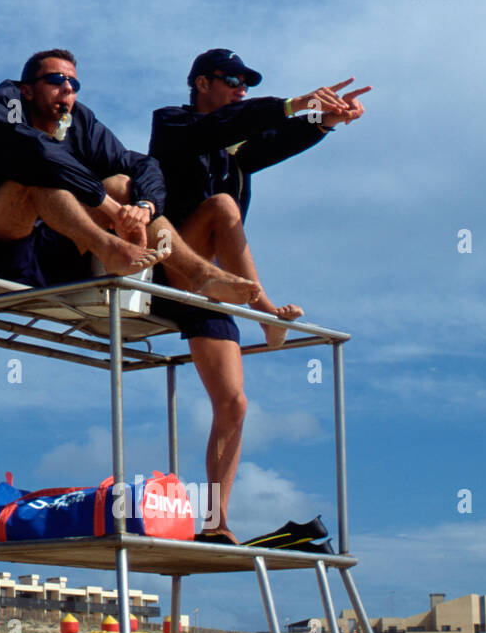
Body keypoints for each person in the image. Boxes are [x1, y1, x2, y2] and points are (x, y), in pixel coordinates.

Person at [148, 49, 369, 541]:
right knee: (223, 206)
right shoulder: (171, 124)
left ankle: (214, 521)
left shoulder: (233, 148)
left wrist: (323, 121)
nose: (240, 88)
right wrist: (291, 104)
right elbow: (225, 126)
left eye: (245, 83)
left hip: (213, 289)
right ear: (202, 82)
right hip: (168, 270)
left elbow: (274, 140)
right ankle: (267, 313)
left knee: (234, 405)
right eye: (232, 80)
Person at [0, 49, 258, 310]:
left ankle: (200, 274)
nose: (66, 88)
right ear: (28, 90)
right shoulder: (8, 108)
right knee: (38, 176)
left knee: (122, 184)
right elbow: (36, 152)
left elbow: (141, 164)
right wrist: (105, 205)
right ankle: (111, 250)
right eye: (55, 80)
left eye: (73, 83)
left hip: (30, 254)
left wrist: (142, 206)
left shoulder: (78, 121)